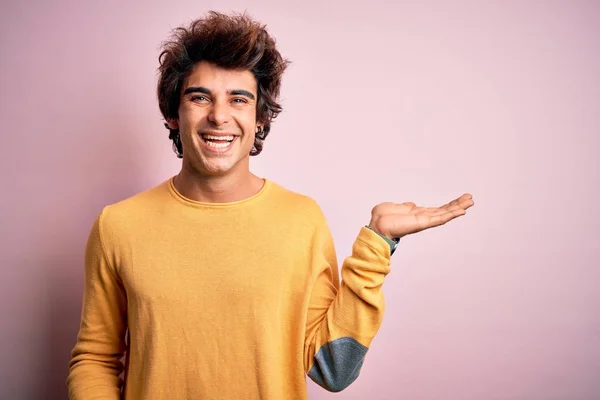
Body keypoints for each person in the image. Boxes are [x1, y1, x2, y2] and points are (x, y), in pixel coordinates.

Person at [66, 11, 474, 400]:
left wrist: (378, 244)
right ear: (174, 113)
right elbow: (96, 360)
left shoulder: (301, 220)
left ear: (260, 117)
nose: (219, 116)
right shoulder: (118, 226)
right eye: (199, 97)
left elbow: (333, 368)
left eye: (239, 99)